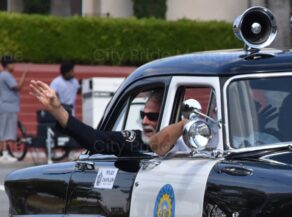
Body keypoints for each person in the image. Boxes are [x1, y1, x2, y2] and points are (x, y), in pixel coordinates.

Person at [30, 80, 185, 157]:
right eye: (142, 115)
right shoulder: (137, 141)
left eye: (152, 117)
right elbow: (93, 138)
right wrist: (56, 109)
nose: (145, 122)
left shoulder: (194, 142)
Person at [0, 55, 28, 162]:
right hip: (8, 106)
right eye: (12, 64)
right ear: (8, 65)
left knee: (3, 130)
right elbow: (18, 87)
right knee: (6, 131)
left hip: (5, 106)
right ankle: (5, 154)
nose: (14, 66)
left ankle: (3, 153)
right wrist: (24, 76)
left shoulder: (2, 75)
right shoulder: (6, 75)